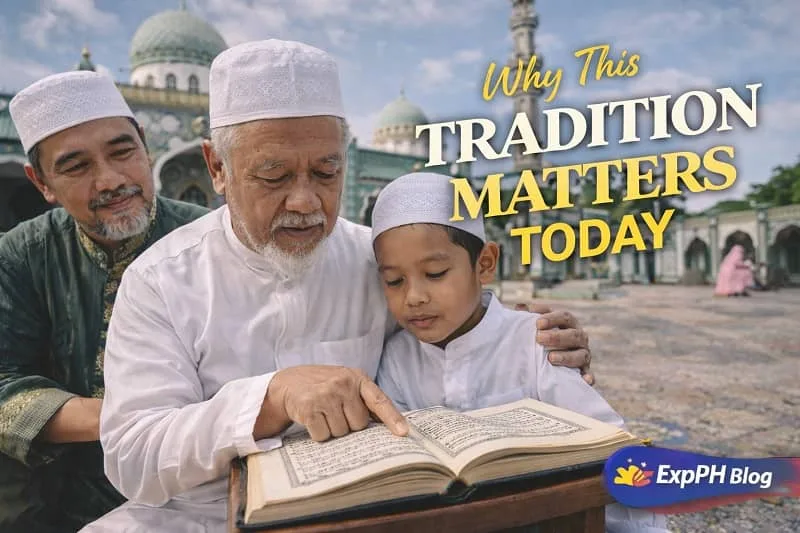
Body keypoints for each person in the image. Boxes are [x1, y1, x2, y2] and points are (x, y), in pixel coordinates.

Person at [84, 39, 595, 532]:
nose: (306, 201)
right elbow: (133, 457)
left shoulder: (380, 261)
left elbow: (451, 340)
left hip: (367, 508)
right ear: (217, 167)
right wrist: (270, 399)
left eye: (326, 172)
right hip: (201, 516)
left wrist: (525, 337)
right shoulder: (160, 281)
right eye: (274, 175)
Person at [371, 172, 669, 533]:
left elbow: (606, 447)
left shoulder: (536, 344)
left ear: (484, 264)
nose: (414, 296)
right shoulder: (397, 359)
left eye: (435, 273)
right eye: (394, 281)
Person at [0, 71, 209, 532]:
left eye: (122, 152)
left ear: (146, 148)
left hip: (192, 487)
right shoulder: (21, 254)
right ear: (42, 184)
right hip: (63, 494)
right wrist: (129, 419)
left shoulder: (210, 239)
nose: (111, 180)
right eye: (77, 167)